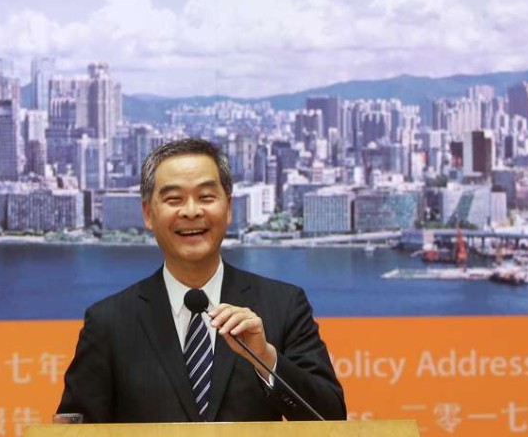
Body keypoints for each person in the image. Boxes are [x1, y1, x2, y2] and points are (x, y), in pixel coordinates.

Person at [56, 138, 346, 423]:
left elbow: (330, 418)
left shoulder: (284, 304)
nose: (192, 211)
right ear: (148, 213)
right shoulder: (109, 322)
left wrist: (266, 358)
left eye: (206, 197)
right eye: (174, 199)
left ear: (228, 207)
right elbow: (75, 428)